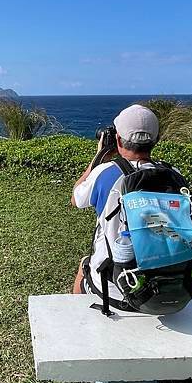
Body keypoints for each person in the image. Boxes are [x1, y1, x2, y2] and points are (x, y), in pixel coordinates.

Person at [71, 104, 163, 296]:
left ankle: (77, 317)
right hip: (163, 283)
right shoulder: (172, 174)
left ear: (118, 140)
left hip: (115, 289)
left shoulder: (105, 173)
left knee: (84, 265)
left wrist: (99, 156)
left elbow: (75, 198)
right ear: (156, 140)